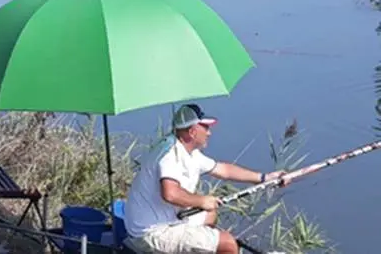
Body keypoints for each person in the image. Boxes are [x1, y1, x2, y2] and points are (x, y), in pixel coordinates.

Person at [123, 104, 289, 254]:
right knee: (228, 244)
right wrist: (201, 201)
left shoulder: (188, 151)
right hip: (151, 233)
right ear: (192, 132)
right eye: (206, 128)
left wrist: (264, 178)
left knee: (210, 214)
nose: (209, 132)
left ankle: (200, 246)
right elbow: (170, 193)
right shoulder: (170, 155)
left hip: (166, 220)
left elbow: (223, 170)